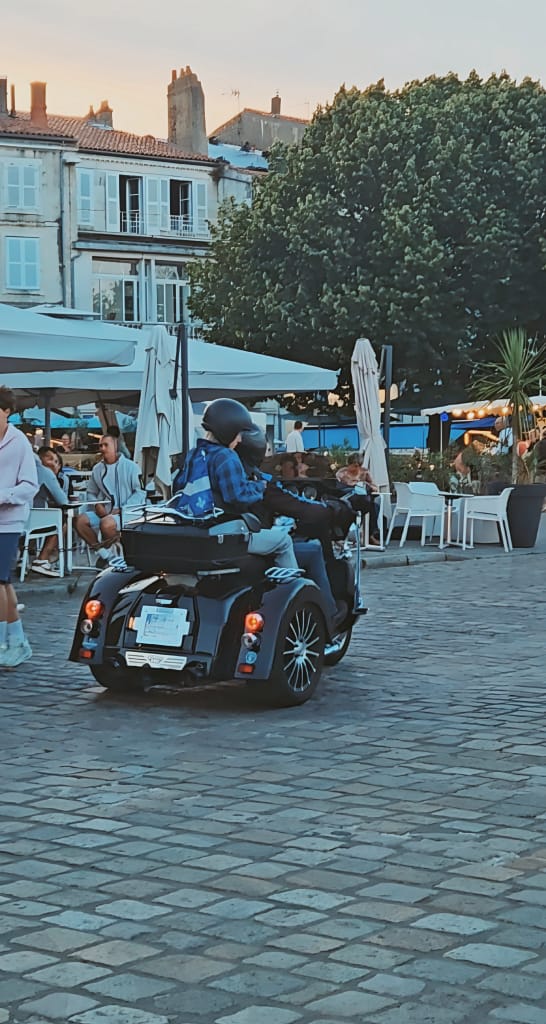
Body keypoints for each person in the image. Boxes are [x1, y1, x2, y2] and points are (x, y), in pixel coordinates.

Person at [237, 422, 352, 627]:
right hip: (251, 547)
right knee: (313, 550)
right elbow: (297, 506)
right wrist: (331, 509)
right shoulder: (257, 481)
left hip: (227, 545)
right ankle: (329, 613)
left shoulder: (223, 472)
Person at [175, 399, 298, 570]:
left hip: (195, 530)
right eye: (238, 433)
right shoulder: (225, 456)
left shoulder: (194, 454)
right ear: (227, 430)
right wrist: (260, 487)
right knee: (284, 541)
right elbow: (237, 496)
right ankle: (290, 587)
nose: (240, 439)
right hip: (222, 533)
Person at [0, 386, 38, 668]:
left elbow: (30, 485)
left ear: (6, 412)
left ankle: (5, 641)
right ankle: (17, 640)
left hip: (10, 520)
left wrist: (4, 496)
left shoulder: (19, 442)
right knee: (4, 583)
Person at [75, 433, 146, 569]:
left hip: (129, 512)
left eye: (105, 445)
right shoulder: (97, 469)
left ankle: (118, 555)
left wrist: (124, 508)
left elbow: (140, 492)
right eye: (101, 445)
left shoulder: (131, 467)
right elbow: (91, 492)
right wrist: (97, 504)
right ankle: (105, 554)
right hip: (106, 511)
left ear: (115, 446)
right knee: (79, 521)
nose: (102, 448)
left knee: (107, 524)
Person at [336, 454, 381, 544]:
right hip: (349, 499)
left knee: (374, 506)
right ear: (349, 464)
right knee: (372, 506)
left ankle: (369, 534)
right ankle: (367, 535)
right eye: (355, 466)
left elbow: (374, 486)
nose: (357, 468)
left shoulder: (364, 472)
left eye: (359, 466)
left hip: (363, 499)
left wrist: (367, 484)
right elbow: (339, 488)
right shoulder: (342, 474)